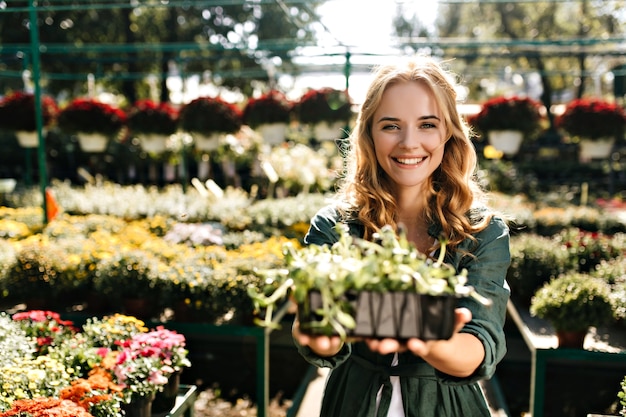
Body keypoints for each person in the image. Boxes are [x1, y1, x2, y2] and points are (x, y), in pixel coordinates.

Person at [292, 56, 511, 417]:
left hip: (448, 407)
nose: (410, 143)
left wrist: (415, 329)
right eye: (391, 126)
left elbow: (476, 349)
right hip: (352, 402)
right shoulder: (336, 226)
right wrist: (320, 336)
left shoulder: (483, 231)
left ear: (448, 133)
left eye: (427, 124)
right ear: (369, 134)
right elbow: (318, 330)